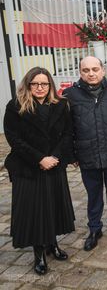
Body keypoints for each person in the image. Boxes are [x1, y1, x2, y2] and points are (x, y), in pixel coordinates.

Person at [3, 67, 75, 275]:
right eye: (35, 84)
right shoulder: (15, 106)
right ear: (28, 85)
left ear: (50, 85)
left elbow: (67, 134)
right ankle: (39, 253)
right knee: (36, 211)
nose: (40, 88)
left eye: (44, 84)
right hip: (28, 167)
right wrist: (39, 159)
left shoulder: (61, 105)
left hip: (54, 164)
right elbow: (14, 139)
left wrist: (54, 157)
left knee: (52, 207)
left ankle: (52, 244)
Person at [63, 56, 107, 251]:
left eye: (95, 69)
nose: (91, 73)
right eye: (86, 70)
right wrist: (71, 154)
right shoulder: (70, 95)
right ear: (80, 72)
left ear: (103, 70)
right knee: (93, 194)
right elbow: (67, 128)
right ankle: (94, 228)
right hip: (87, 153)